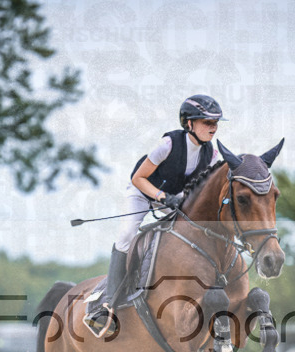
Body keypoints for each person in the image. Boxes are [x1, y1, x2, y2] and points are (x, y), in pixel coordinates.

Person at [84, 95, 226, 338]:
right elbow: (138, 178)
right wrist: (161, 196)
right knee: (128, 234)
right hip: (142, 192)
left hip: (174, 199)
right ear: (188, 123)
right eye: (206, 122)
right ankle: (107, 304)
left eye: (215, 122)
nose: (213, 127)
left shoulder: (210, 155)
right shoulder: (168, 144)